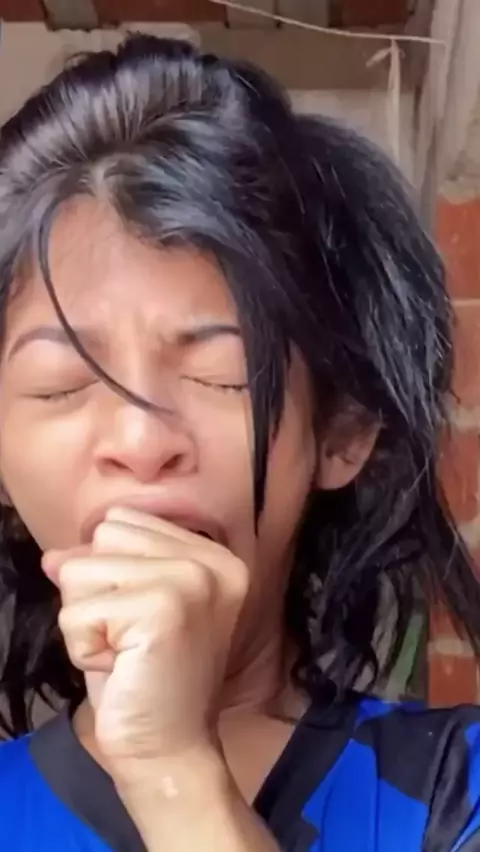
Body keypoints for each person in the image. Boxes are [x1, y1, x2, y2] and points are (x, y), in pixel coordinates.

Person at [0, 33, 479, 852]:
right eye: (61, 385)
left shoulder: (454, 789)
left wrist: (173, 773)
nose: (140, 440)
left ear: (341, 430)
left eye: (220, 375)